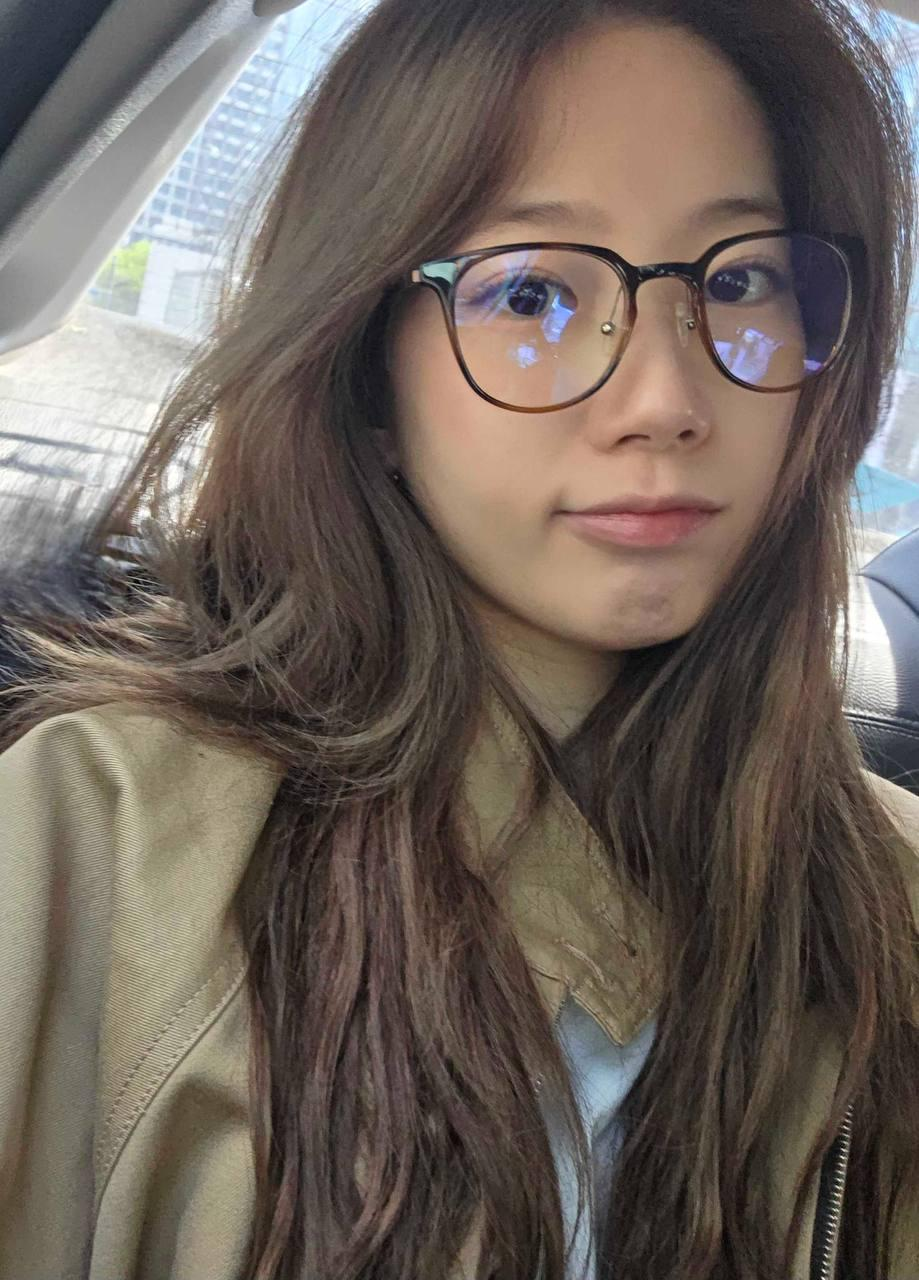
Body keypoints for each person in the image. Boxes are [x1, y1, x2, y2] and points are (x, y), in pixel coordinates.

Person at [1, 0, 918, 1277]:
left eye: (738, 280)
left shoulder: (893, 897)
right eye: (532, 291)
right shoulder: (90, 836)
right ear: (366, 368)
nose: (666, 398)